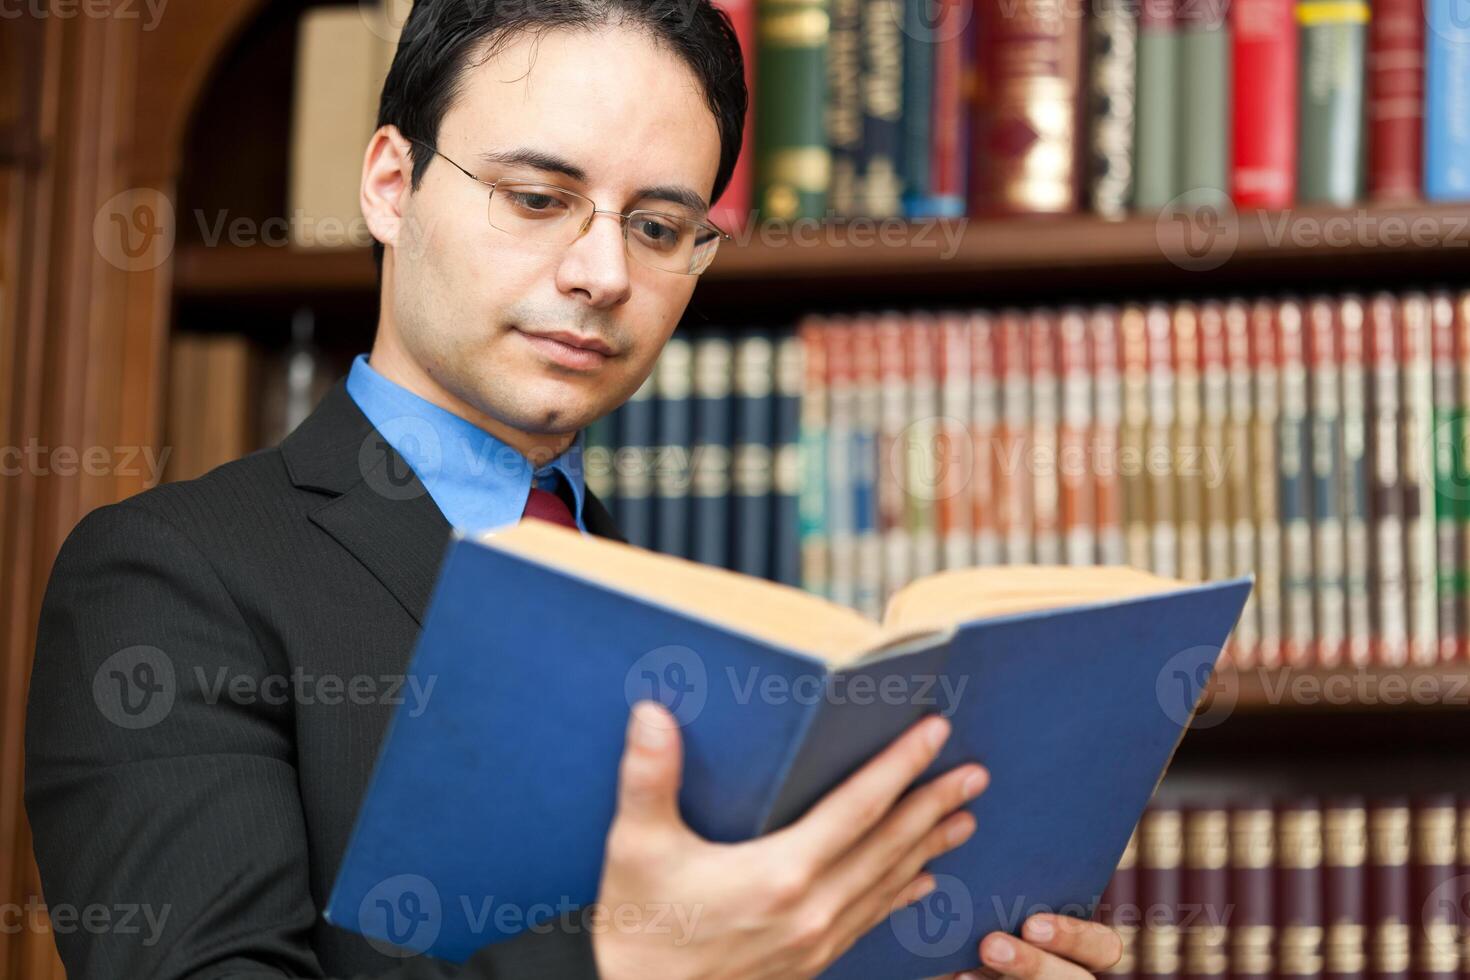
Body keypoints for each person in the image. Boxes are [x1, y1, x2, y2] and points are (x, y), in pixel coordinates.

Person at [25, 1, 1124, 977]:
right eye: (539, 196)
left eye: (656, 227)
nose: (602, 275)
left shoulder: (712, 618)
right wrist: (624, 960)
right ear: (391, 185)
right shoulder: (173, 575)